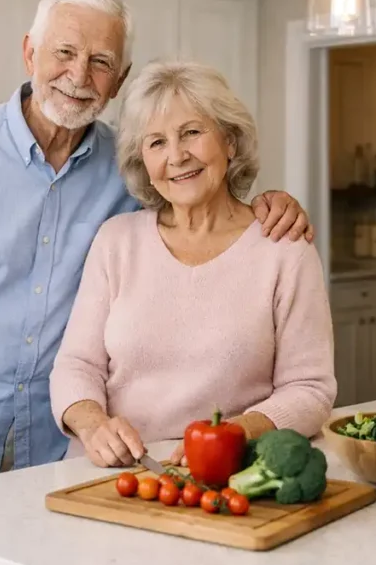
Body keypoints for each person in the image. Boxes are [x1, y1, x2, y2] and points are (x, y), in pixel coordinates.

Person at [0, 0, 314, 497]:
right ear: (30, 52)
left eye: (101, 61)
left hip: (50, 451)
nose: (79, 76)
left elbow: (197, 195)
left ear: (118, 81)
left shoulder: (128, 169)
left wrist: (270, 201)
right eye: (65, 53)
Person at [49, 60, 336, 468]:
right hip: (112, 473)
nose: (177, 156)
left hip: (224, 473)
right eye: (156, 143)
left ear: (230, 142)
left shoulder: (283, 247)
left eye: (192, 133)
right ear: (143, 163)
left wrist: (233, 434)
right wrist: (93, 424)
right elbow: (76, 364)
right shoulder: (117, 239)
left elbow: (310, 389)